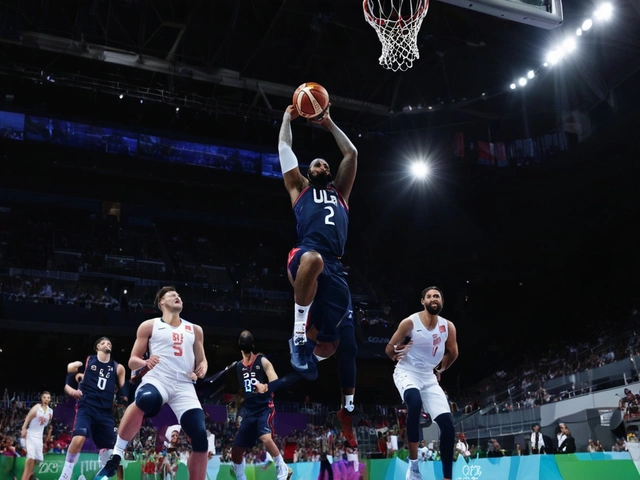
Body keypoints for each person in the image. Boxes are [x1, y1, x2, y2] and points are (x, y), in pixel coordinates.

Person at [277, 104, 359, 446]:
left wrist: (328, 123)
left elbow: (351, 152)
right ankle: (298, 335)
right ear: (308, 173)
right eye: (316, 164)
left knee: (336, 341)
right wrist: (286, 119)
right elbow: (284, 149)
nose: (322, 165)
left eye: (325, 163)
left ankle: (309, 348)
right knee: (312, 259)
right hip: (305, 253)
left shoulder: (341, 193)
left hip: (337, 265)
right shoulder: (299, 189)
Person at [95, 286, 209, 480]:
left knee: (200, 436)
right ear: (161, 302)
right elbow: (132, 360)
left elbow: (203, 360)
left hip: (184, 386)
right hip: (158, 379)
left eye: (179, 295)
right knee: (145, 399)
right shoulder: (149, 325)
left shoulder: (195, 329)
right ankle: (116, 455)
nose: (177, 297)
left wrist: (202, 368)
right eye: (173, 295)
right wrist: (145, 362)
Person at [384, 286, 458, 480]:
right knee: (414, 402)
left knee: (448, 426)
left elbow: (453, 351)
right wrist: (397, 352)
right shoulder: (409, 323)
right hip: (407, 372)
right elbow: (389, 349)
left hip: (428, 377)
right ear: (423, 301)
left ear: (441, 302)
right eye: (429, 296)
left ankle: (447, 477)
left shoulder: (448, 326)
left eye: (437, 296)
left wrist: (441, 369)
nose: (433, 299)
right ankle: (414, 466)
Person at [58, 337, 126, 480]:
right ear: (97, 348)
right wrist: (72, 391)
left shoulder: (118, 367)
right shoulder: (89, 361)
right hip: (87, 407)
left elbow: (123, 391)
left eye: (109, 343)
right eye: (103, 343)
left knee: (110, 451)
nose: (107, 344)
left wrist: (122, 397)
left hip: (105, 412)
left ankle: (101, 476)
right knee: (78, 438)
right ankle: (65, 475)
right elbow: (70, 371)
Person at [230, 330, 292, 480]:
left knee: (265, 437)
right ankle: (240, 476)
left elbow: (276, 383)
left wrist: (264, 386)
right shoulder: (238, 366)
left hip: (265, 407)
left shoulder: (262, 360)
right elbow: (243, 391)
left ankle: (282, 467)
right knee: (236, 451)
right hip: (249, 411)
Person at [20, 391, 53, 480]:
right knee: (30, 456)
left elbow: (45, 426)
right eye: (45, 397)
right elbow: (28, 418)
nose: (46, 399)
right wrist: (24, 429)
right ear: (41, 399)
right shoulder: (37, 407)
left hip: (39, 437)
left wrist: (47, 435)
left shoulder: (50, 412)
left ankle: (30, 475)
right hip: (30, 434)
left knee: (37, 459)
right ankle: (25, 477)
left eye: (48, 398)